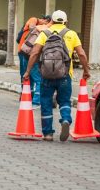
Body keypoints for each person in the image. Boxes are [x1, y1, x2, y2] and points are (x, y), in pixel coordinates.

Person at [24, 10, 91, 142]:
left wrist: (28, 71)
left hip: (46, 75)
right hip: (65, 75)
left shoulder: (45, 33)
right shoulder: (71, 34)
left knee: (46, 102)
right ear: (66, 22)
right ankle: (65, 119)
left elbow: (34, 53)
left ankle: (48, 134)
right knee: (64, 101)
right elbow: (81, 54)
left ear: (52, 21)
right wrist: (86, 70)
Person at [17, 15, 51, 107]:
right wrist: (42, 28)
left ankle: (26, 97)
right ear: (45, 20)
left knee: (28, 77)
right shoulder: (34, 19)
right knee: (35, 78)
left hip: (25, 52)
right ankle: (35, 101)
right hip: (28, 54)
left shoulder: (41, 27)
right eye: (46, 22)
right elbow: (32, 28)